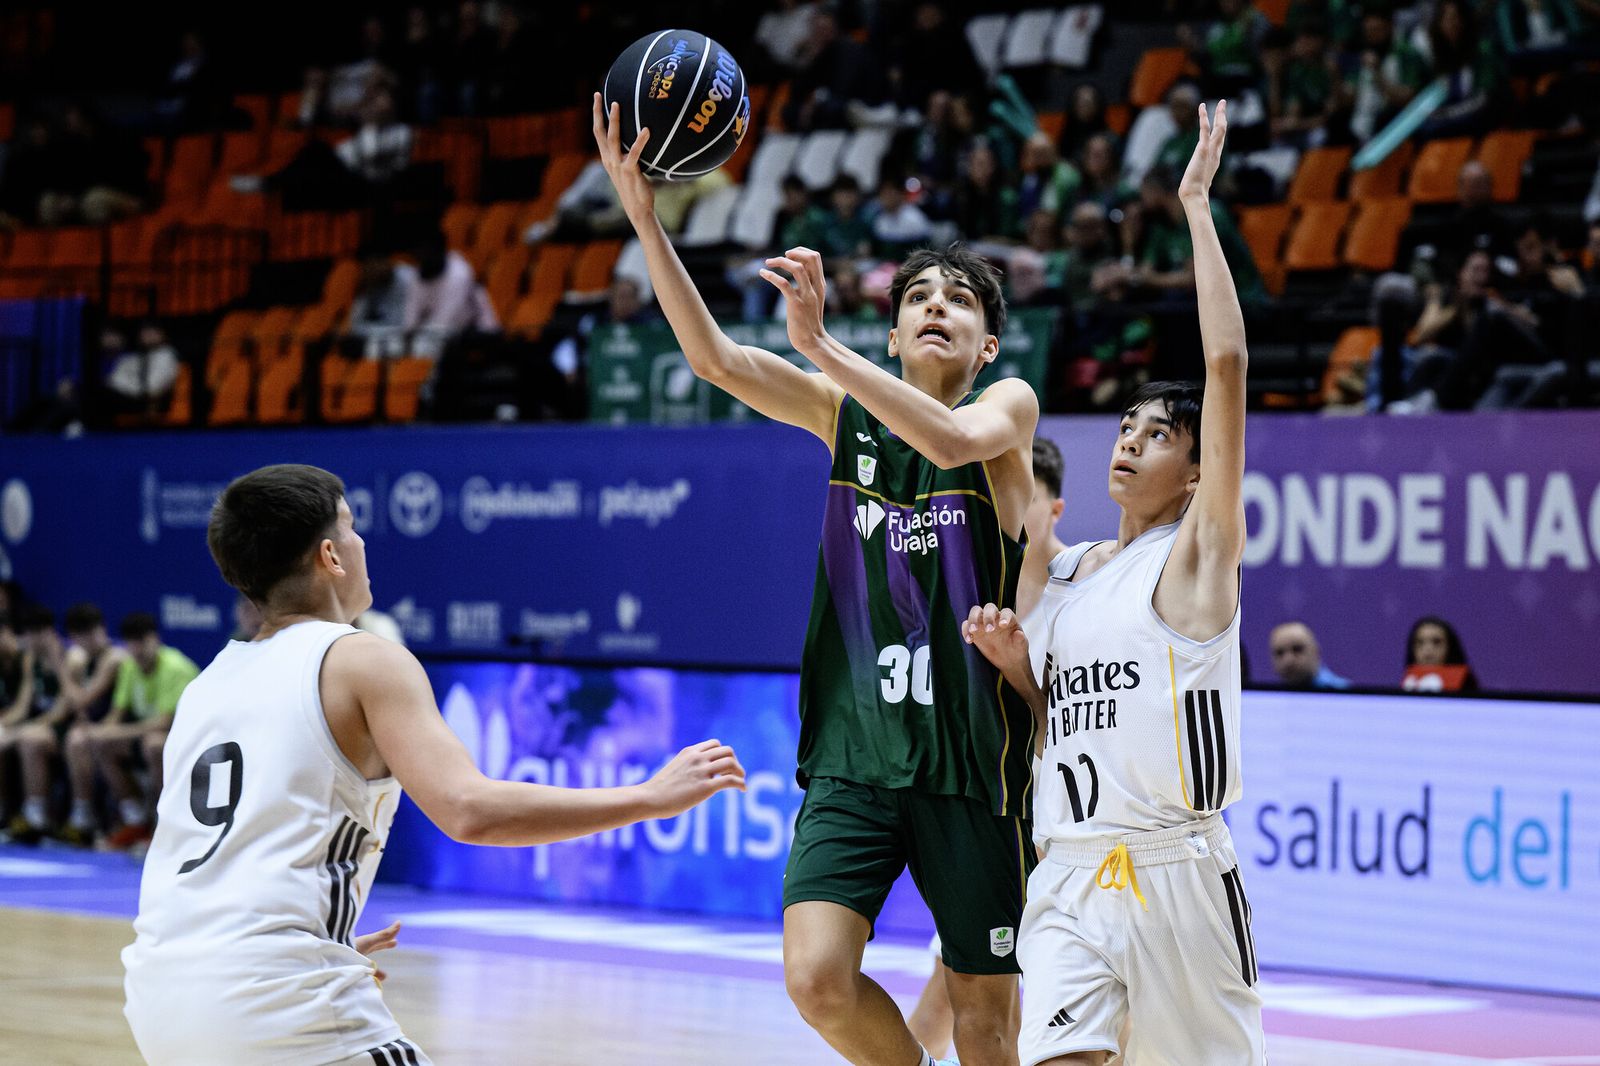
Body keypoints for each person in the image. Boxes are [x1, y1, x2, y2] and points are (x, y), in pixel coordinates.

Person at [596, 94, 1039, 1066]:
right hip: (855, 752)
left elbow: (952, 434)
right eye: (918, 295)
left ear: (988, 344)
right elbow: (711, 358)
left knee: (987, 1022)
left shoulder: (1005, 409)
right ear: (891, 335)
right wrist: (644, 217)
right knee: (815, 977)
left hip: (970, 766)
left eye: (958, 300)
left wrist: (822, 345)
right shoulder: (847, 415)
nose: (935, 306)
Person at [122, 463, 745, 1065]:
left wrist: (318, 940)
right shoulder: (364, 659)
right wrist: (648, 797)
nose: (362, 541)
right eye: (351, 526)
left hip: (161, 996)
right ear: (330, 558)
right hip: (277, 997)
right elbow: (469, 810)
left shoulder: (207, 684)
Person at [963, 101, 1267, 1064]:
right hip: (1069, 871)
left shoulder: (1197, 556)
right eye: (1127, 430)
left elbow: (1226, 364)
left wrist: (1194, 208)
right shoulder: (1075, 572)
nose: (1132, 443)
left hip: (1178, 869)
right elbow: (1061, 719)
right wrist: (1017, 666)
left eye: (1160, 436)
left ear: (1194, 472)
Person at [907, 436, 1072, 1059]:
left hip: (1060, 834)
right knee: (948, 995)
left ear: (1054, 510)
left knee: (1094, 1011)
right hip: (988, 821)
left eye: (1030, 497)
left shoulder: (1079, 590)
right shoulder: (968, 582)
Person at [7, 602, 126, 845]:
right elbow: (23, 704)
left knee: (54, 739)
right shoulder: (34, 660)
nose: (89, 640)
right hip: (82, 727)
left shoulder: (93, 659)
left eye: (93, 632)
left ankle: (82, 818)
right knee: (24, 736)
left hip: (92, 728)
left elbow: (75, 704)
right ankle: (32, 814)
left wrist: (57, 664)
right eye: (82, 634)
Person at [79, 612, 200, 849]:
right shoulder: (129, 665)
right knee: (100, 743)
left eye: (142, 641)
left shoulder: (176, 667)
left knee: (154, 745)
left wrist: (115, 733)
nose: (137, 649)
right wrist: (99, 733)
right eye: (131, 642)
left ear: (155, 639)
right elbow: (117, 713)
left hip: (185, 740)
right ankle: (134, 820)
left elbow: (164, 723)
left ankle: (164, 823)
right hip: (145, 736)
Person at [1402, 616, 1479, 692]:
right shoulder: (1408, 682)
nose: (1428, 649)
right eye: (1420, 642)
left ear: (1450, 647)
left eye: (1436, 642)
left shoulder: (1466, 684)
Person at [1269, 620, 1351, 689]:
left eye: (1297, 649)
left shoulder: (1347, 693)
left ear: (1316, 652)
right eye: (1279, 653)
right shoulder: (1270, 700)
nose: (1288, 660)